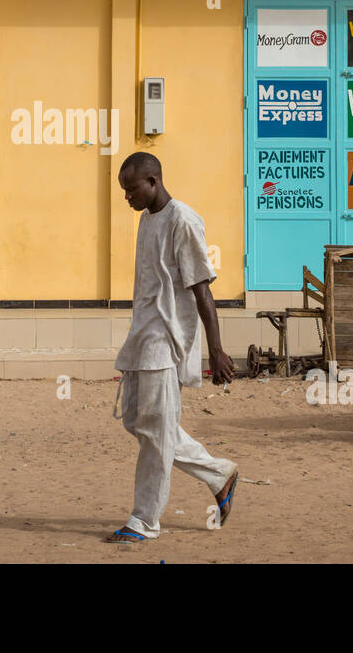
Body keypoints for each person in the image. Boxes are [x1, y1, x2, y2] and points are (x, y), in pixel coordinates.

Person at [106, 151, 239, 543]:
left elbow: (203, 290)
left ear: (154, 181)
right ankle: (219, 473)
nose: (127, 197)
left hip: (165, 343)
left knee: (157, 435)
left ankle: (144, 521)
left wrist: (216, 350)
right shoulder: (146, 222)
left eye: (131, 190)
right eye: (124, 191)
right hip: (141, 339)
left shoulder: (182, 220)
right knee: (140, 423)